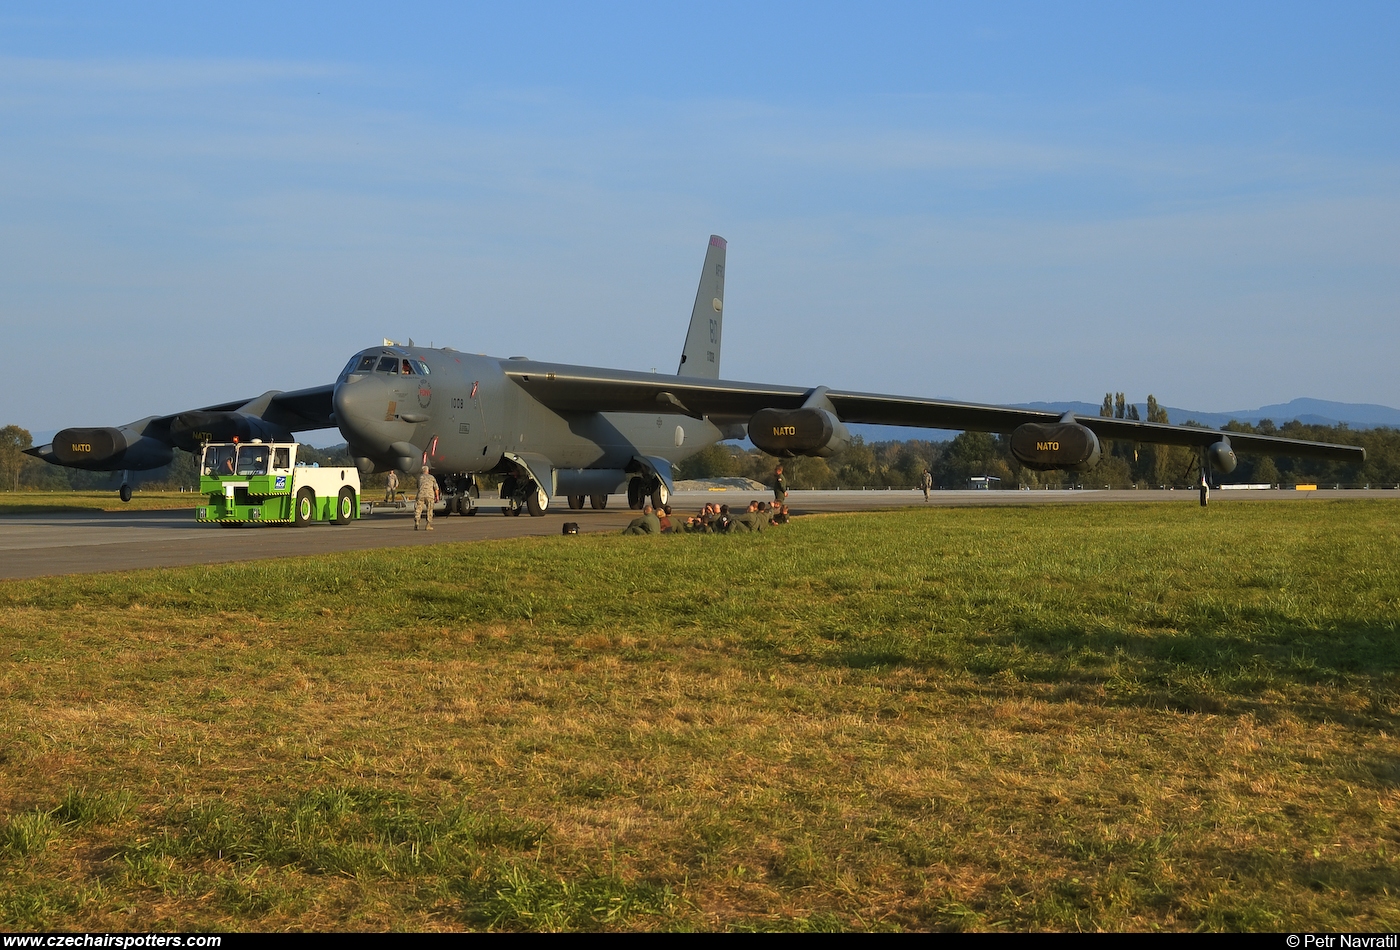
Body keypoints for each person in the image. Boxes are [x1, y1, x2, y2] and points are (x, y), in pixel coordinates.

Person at [414, 465, 439, 531]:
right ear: (428, 470)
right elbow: (436, 488)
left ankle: (417, 521)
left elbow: (418, 486)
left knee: (418, 509)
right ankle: (428, 525)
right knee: (429, 510)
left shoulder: (420, 477)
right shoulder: (432, 477)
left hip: (421, 495)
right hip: (430, 495)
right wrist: (437, 496)